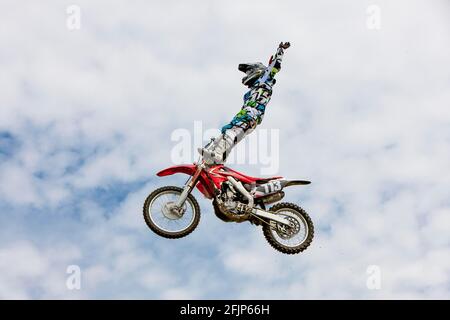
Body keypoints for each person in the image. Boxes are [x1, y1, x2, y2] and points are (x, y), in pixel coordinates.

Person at [198, 42, 291, 165]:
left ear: (257, 71)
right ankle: (216, 159)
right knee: (227, 133)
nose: (247, 76)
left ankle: (218, 155)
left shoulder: (264, 80)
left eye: (248, 72)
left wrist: (280, 50)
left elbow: (274, 67)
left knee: (231, 133)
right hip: (248, 115)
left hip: (252, 113)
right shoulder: (252, 90)